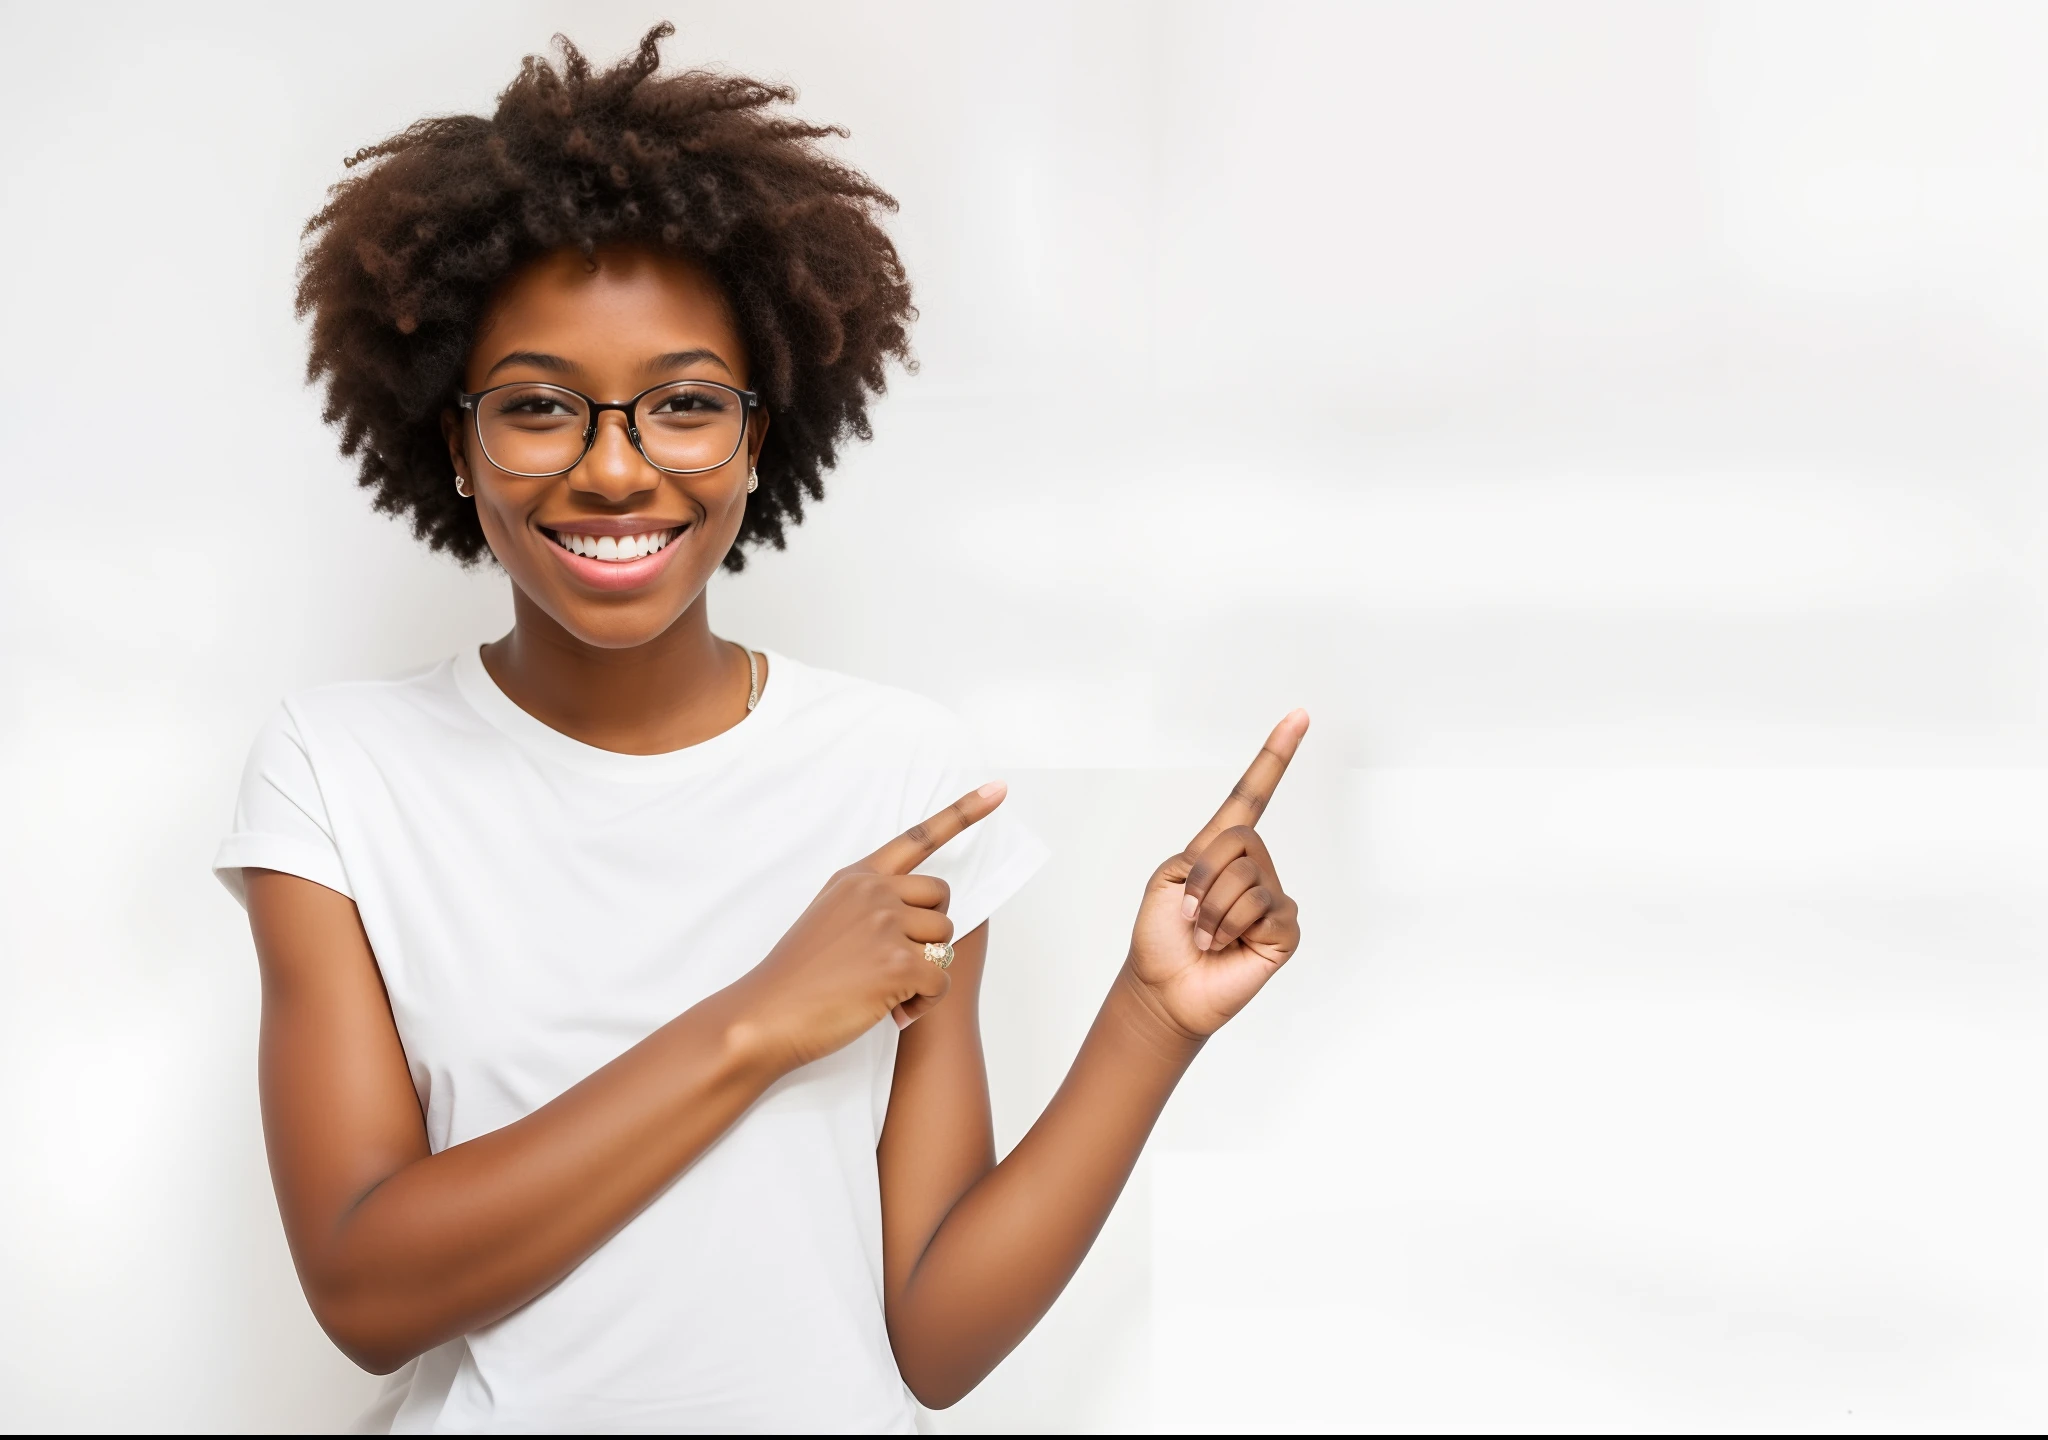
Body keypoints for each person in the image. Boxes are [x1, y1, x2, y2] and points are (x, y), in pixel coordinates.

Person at [215, 24, 1306, 1432]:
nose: (615, 469)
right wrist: (761, 1019)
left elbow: (933, 1338)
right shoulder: (336, 775)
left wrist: (1151, 1018)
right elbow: (366, 1291)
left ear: (755, 436)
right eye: (540, 408)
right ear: (450, 438)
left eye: (682, 406)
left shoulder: (902, 781)